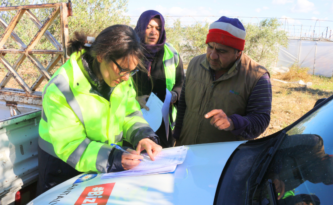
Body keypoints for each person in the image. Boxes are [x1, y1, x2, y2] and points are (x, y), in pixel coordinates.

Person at [37, 25, 162, 195]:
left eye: (131, 72)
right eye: (123, 70)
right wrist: (113, 158)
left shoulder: (119, 76)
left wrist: (144, 136)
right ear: (102, 56)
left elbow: (129, 113)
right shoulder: (62, 87)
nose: (126, 78)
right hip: (62, 170)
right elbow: (71, 145)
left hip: (101, 163)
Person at [174, 16, 272, 145]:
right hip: (187, 148)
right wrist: (177, 135)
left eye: (222, 51)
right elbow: (183, 106)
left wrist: (233, 123)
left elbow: (260, 120)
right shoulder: (195, 64)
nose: (213, 56)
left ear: (238, 52)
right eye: (210, 47)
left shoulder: (257, 77)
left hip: (226, 158)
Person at [133, 10, 184, 148]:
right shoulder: (129, 52)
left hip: (164, 122)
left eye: (158, 28)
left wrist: (175, 95)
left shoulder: (171, 53)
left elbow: (181, 82)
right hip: (133, 120)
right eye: (148, 27)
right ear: (141, 27)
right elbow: (117, 85)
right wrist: (135, 99)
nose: (153, 32)